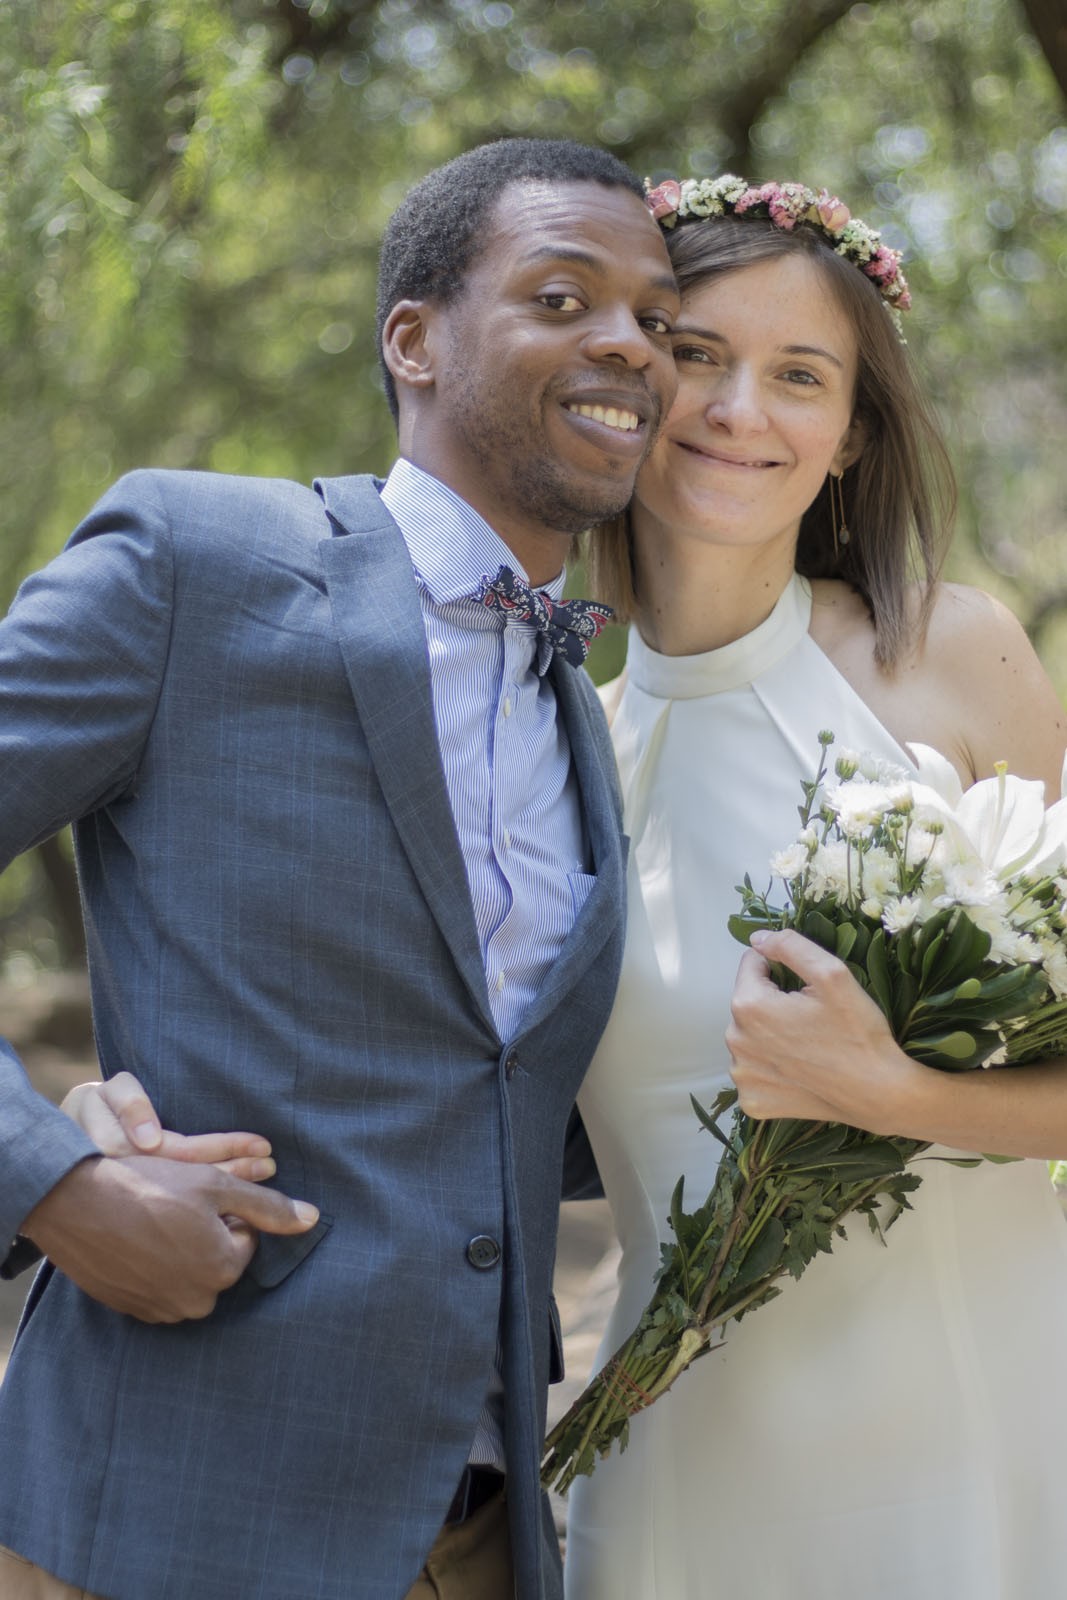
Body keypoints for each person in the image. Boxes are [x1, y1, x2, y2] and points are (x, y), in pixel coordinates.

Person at [0, 137, 680, 1600]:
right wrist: (51, 1180)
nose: (629, 341)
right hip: (176, 1511)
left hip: (486, 1520)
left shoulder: (585, 702)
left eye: (655, 319)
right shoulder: (196, 561)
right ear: (415, 340)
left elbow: (507, 1095)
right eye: (564, 296)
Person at [561, 176, 1067, 1597]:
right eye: (695, 357)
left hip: (983, 1444)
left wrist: (897, 1098)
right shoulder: (559, 760)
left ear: (850, 438)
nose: (737, 411)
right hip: (675, 1473)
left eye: (799, 377)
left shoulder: (954, 659)